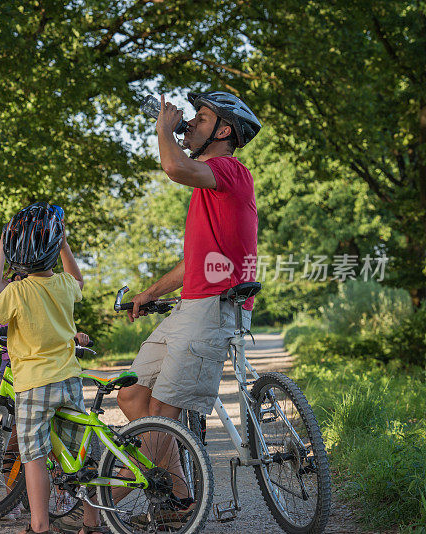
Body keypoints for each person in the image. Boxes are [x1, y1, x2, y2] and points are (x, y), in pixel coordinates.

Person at [116, 91, 261, 497]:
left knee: (163, 413)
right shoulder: (209, 185)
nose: (190, 124)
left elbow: (172, 167)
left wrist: (163, 128)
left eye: (200, 118)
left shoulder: (229, 170)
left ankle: (96, 509)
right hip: (190, 306)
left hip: (215, 309)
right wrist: (149, 292)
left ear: (223, 130)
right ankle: (179, 494)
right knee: (131, 395)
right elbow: (193, 262)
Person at [0, 203, 104, 534]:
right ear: (53, 248)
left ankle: (39, 526)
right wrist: (64, 242)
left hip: (35, 385)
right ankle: (92, 523)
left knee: (34, 456)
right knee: (78, 454)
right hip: (69, 379)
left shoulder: (18, 291)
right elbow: (79, 279)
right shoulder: (65, 285)